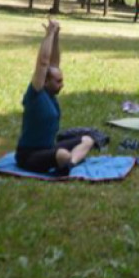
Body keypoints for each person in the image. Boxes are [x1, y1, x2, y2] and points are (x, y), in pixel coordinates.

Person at [15, 20, 95, 173]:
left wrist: (56, 36)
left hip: (49, 148)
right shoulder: (36, 93)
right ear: (45, 81)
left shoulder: (50, 93)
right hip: (29, 155)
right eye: (58, 81)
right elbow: (43, 62)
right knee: (62, 155)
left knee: (88, 140)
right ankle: (67, 160)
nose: (62, 85)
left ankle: (70, 163)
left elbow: (53, 63)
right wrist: (49, 34)